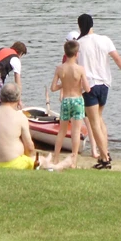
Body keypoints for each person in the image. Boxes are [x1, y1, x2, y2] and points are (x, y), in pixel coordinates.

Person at [75, 14, 121, 169]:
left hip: (89, 86)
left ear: (80, 26)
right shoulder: (105, 39)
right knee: (100, 119)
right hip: (105, 85)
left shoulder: (79, 44)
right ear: (92, 25)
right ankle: (106, 152)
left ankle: (104, 158)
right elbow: (117, 59)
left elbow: (75, 67)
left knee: (94, 122)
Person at [50, 39, 90, 169]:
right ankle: (73, 160)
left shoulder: (59, 68)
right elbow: (87, 88)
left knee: (62, 131)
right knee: (76, 131)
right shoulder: (80, 69)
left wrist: (64, 83)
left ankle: (56, 158)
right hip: (77, 100)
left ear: (65, 53)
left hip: (66, 100)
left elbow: (53, 88)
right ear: (76, 54)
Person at [0, 83, 36, 170]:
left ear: (0, 97)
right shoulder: (20, 117)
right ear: (18, 99)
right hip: (12, 163)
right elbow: (30, 147)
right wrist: (29, 158)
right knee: (40, 160)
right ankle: (62, 164)